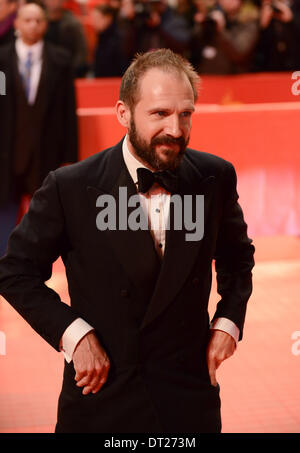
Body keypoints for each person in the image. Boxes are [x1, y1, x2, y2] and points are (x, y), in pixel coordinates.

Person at [0, 48, 255, 433]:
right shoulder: (70, 187)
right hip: (102, 398)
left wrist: (229, 322)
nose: (175, 128)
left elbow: (238, 259)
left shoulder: (215, 176)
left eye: (185, 114)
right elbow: (15, 272)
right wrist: (75, 335)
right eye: (160, 113)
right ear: (123, 114)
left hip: (188, 400)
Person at [0, 3, 78, 256]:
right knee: (5, 211)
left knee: (44, 211)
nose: (33, 25)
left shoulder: (61, 60)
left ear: (45, 24)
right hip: (6, 151)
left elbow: (68, 111)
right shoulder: (0, 60)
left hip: (46, 150)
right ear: (17, 23)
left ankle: (37, 260)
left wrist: (70, 156)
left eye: (38, 20)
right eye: (28, 20)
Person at [43, 0, 88, 77]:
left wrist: (71, 72)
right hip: (45, 72)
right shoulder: (40, 21)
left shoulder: (73, 23)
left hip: (68, 71)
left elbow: (81, 51)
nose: (52, 2)